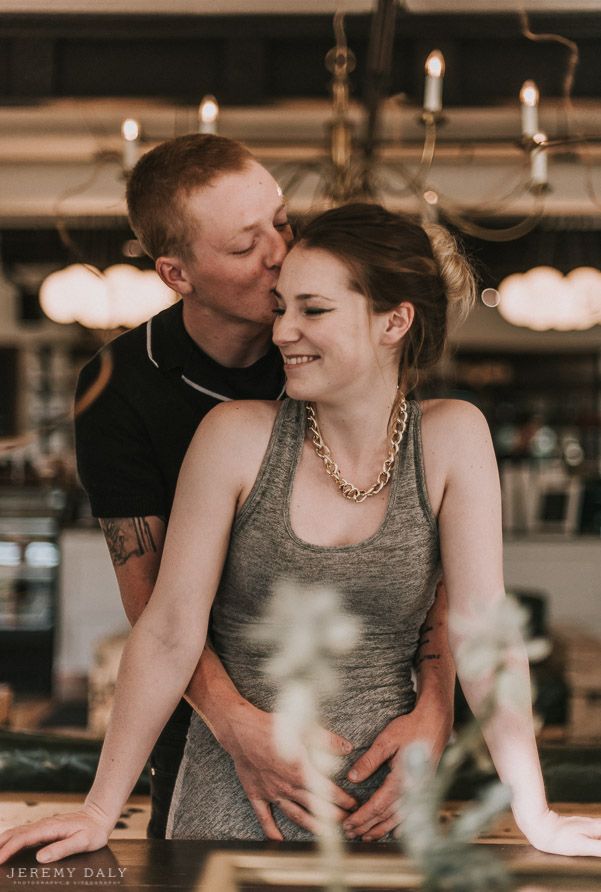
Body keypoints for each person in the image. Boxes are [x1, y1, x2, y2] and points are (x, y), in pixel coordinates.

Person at [2, 203, 601, 862]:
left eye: (312, 310)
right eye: (281, 306)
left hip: (387, 809)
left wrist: (535, 812)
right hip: (230, 801)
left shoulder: (454, 436)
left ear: (393, 321)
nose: (282, 329)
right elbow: (169, 629)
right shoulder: (234, 435)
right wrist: (97, 809)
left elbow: (484, 633)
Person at [72, 134, 454, 842]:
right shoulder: (121, 390)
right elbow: (157, 609)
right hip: (201, 737)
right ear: (176, 273)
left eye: (281, 222)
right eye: (247, 245)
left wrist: (435, 705)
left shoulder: (345, 345)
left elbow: (432, 554)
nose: (280, 253)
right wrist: (235, 728)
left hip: (379, 740)